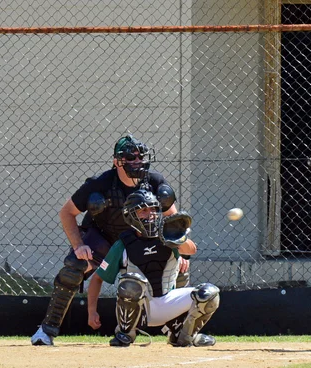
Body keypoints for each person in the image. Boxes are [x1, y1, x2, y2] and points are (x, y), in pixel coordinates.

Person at [31, 135, 190, 346]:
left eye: (140, 157)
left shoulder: (155, 181)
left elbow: (173, 221)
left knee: (181, 267)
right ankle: (46, 330)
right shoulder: (101, 183)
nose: (137, 162)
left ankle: (176, 330)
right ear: (117, 161)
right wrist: (80, 246)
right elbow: (66, 212)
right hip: (104, 239)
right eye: (130, 157)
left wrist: (182, 254)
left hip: (140, 241)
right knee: (74, 266)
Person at [86, 189, 219, 347]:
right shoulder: (123, 244)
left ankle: (183, 335)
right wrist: (91, 311)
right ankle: (126, 333)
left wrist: (176, 238)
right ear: (131, 216)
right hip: (140, 309)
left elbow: (191, 250)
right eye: (144, 210)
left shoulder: (167, 236)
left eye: (154, 210)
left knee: (209, 293)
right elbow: (97, 278)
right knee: (131, 282)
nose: (151, 214)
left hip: (168, 302)